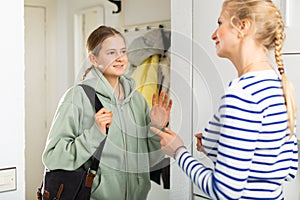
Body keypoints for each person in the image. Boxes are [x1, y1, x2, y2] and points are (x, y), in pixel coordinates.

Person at [151, 0, 299, 199]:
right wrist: (219, 147)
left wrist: (178, 152)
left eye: (220, 23)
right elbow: (288, 170)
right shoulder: (280, 86)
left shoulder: (242, 93)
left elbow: (225, 192)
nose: (214, 34)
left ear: (242, 26)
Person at [42, 25, 172, 200]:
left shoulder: (137, 100)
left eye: (123, 51)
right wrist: (94, 134)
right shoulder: (77, 97)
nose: (120, 59)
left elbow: (150, 158)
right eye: (111, 53)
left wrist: (156, 128)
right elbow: (53, 157)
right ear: (94, 59)